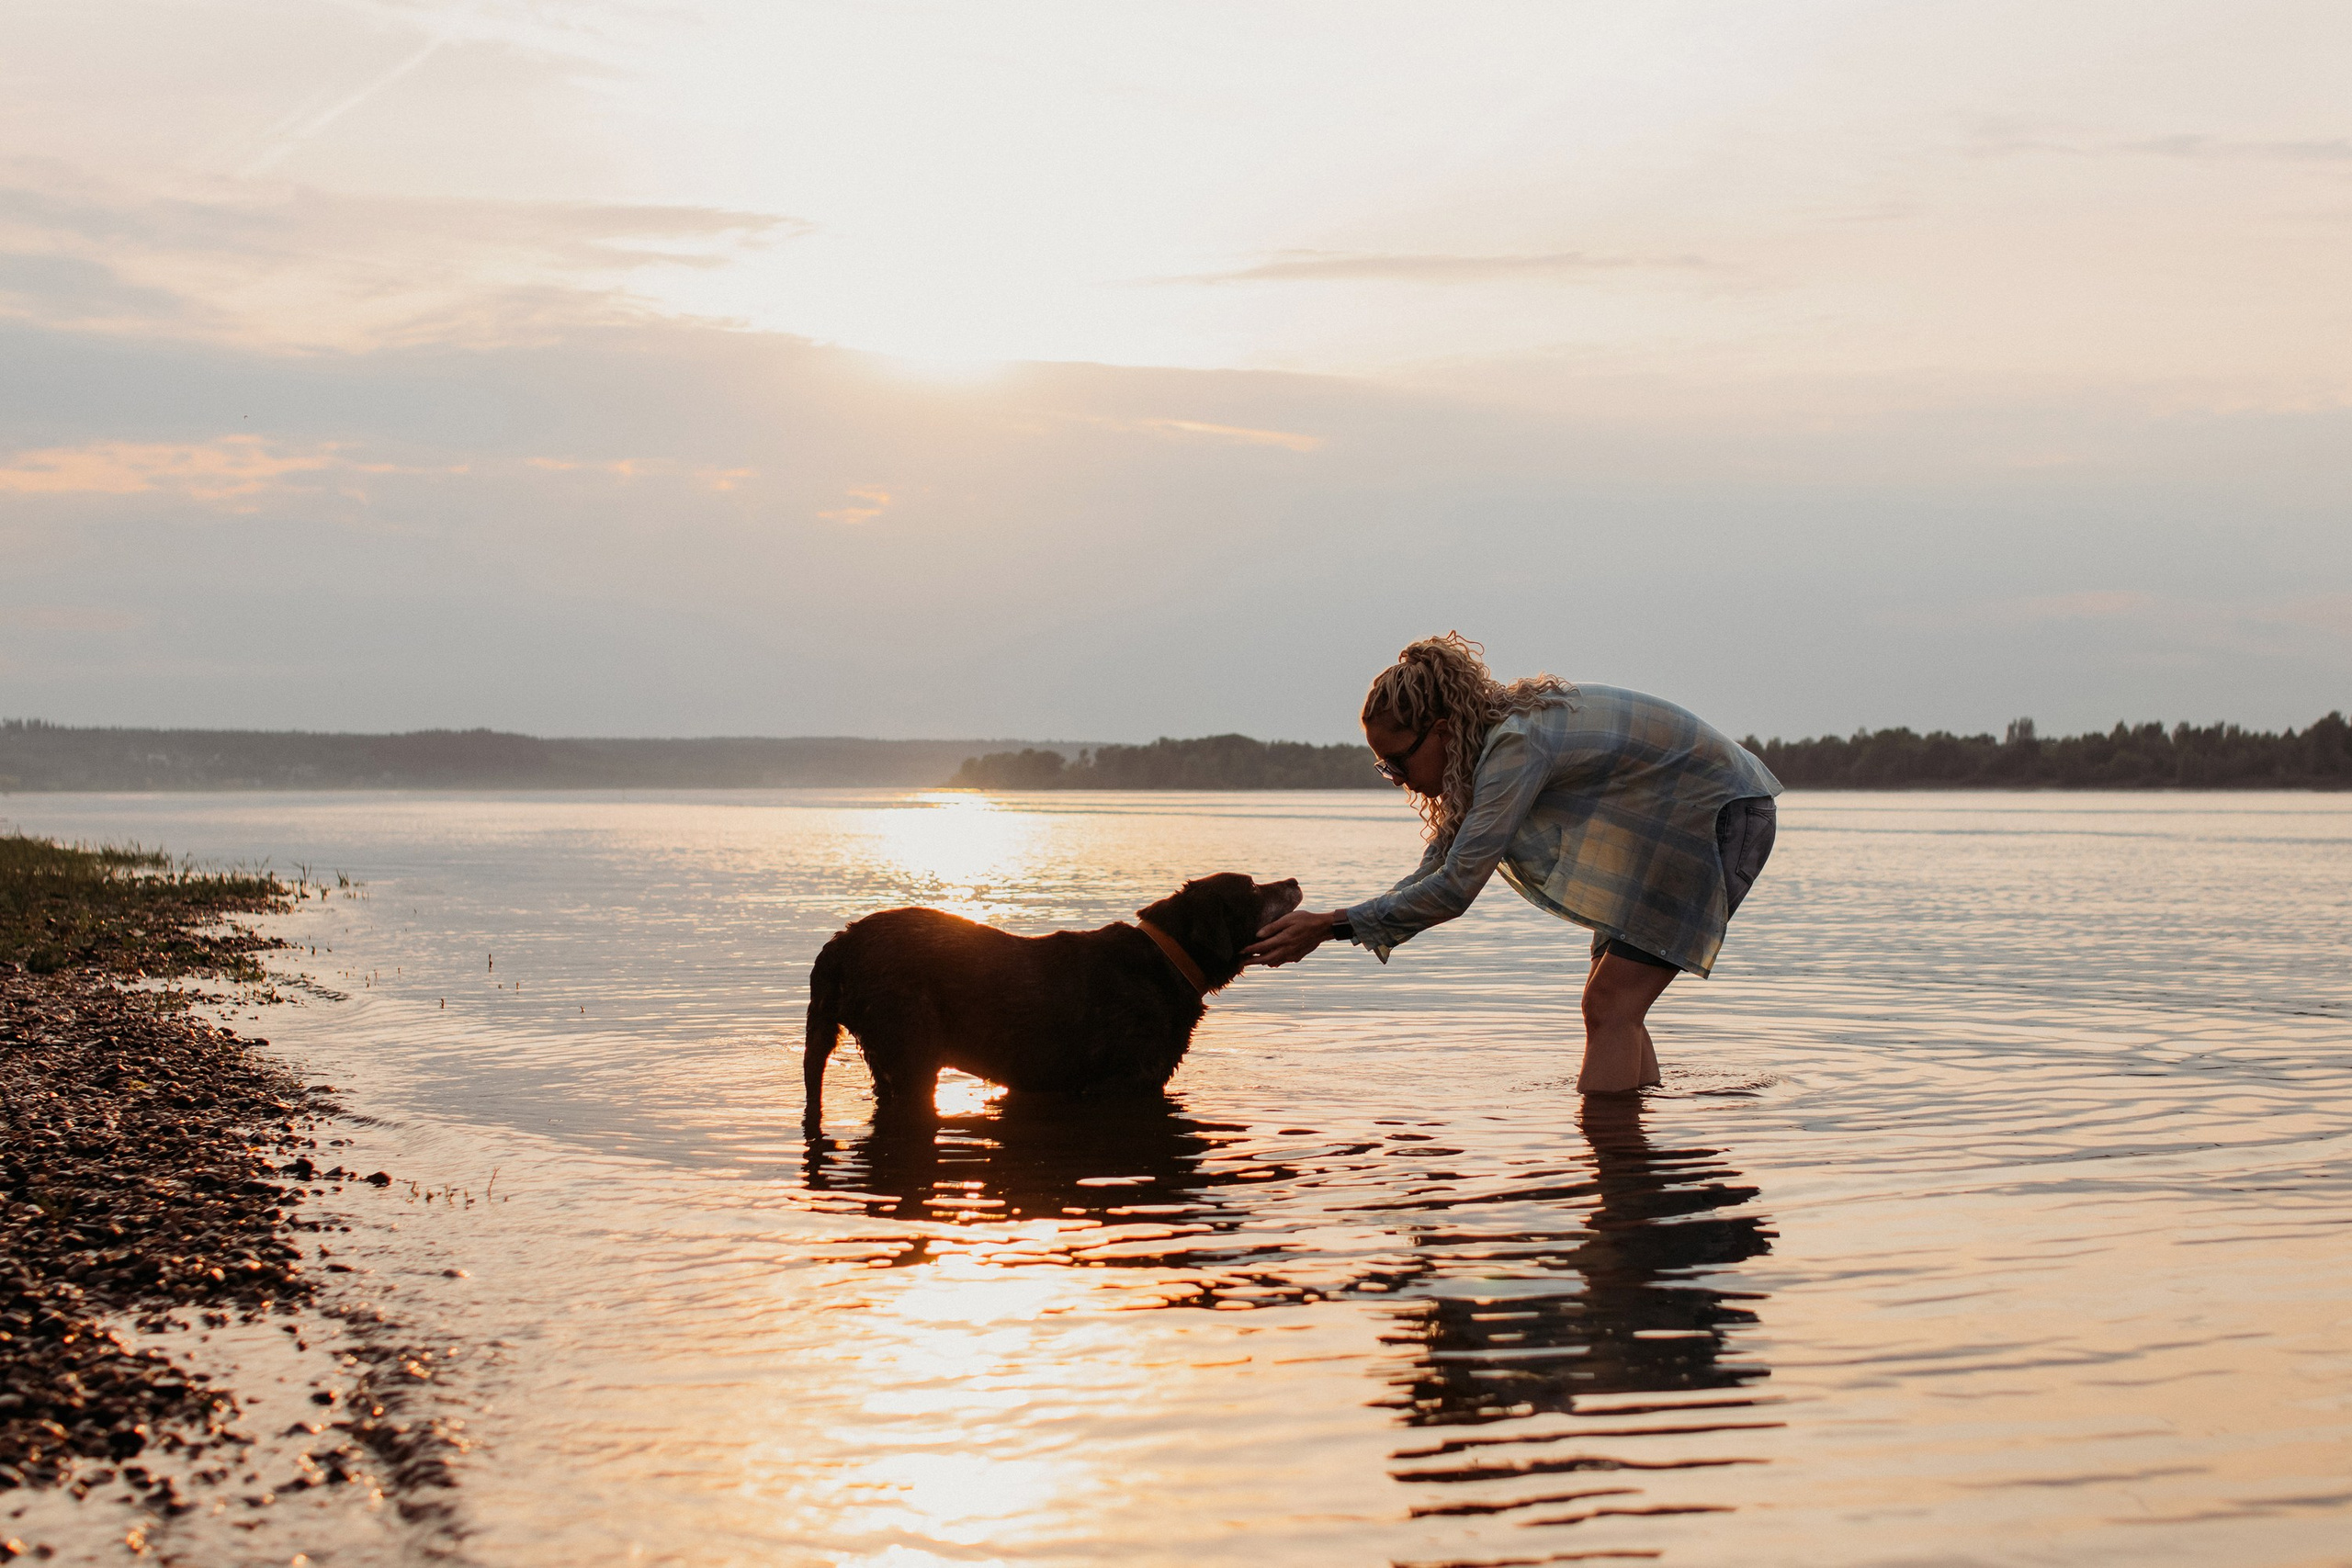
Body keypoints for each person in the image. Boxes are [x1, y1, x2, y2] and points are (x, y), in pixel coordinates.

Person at [1243, 633, 1781, 1093]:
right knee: (1612, 1002)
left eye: (1397, 762)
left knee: (1611, 1004)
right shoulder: (1486, 745)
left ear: (1441, 731)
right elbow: (1439, 867)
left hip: (1718, 814)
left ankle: (1617, 1166)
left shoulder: (1515, 747)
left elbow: (1456, 889)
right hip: (1676, 819)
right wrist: (1333, 924)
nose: (1398, 778)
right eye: (1384, 767)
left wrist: (1332, 925)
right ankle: (1634, 1164)